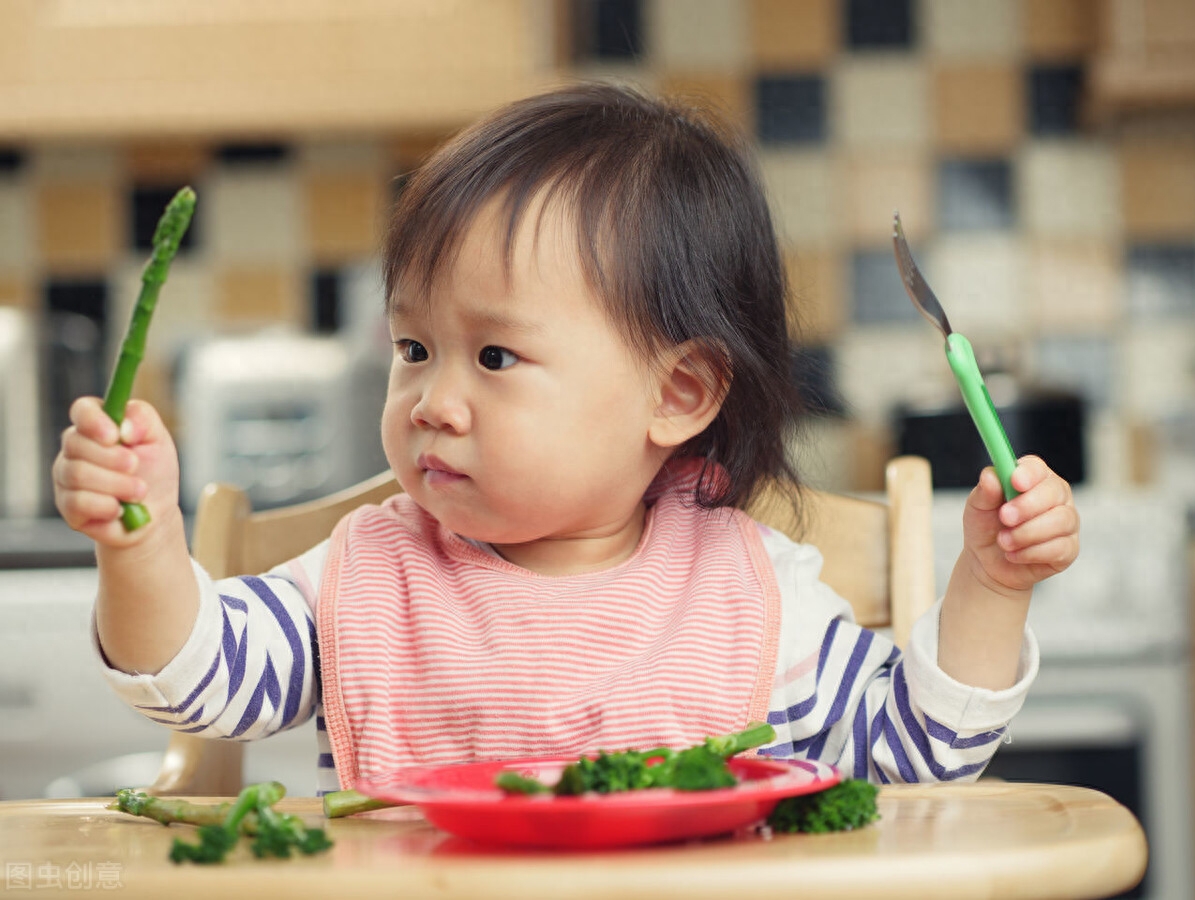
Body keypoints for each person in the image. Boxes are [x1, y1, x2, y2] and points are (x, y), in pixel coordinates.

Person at [53, 83, 1078, 795]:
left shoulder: (748, 592)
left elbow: (921, 750)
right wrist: (139, 543)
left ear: (677, 394)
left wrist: (990, 586)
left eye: (495, 359)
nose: (433, 401)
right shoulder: (364, 577)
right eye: (414, 348)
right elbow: (195, 678)